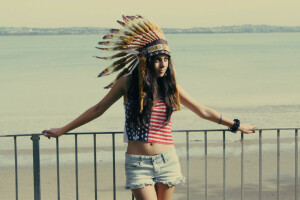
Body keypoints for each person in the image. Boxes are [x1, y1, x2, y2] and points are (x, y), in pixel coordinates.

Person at [42, 15, 257, 200]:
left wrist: (236, 125)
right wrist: (63, 130)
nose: (163, 64)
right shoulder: (127, 83)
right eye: (157, 59)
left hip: (167, 160)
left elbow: (203, 111)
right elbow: (98, 109)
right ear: (145, 60)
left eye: (166, 59)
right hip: (138, 163)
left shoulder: (171, 87)